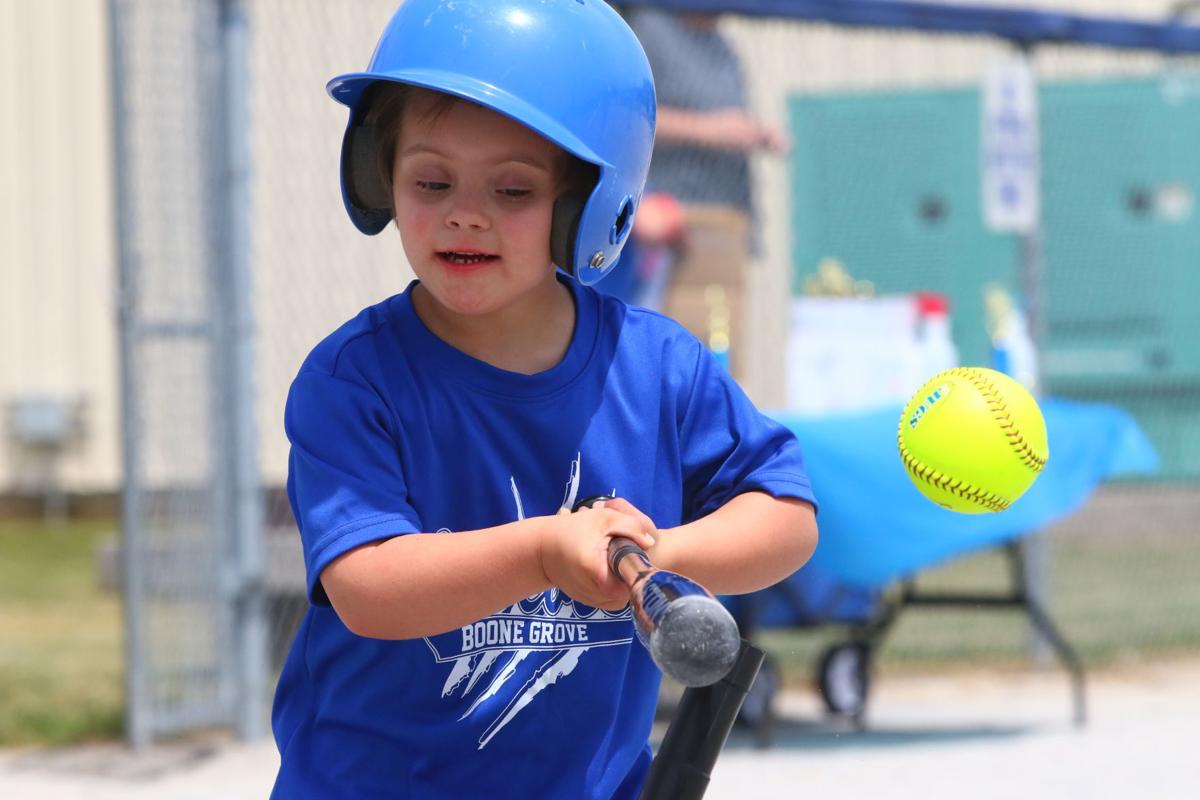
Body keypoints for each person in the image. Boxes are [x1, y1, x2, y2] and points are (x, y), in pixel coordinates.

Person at [271, 2, 818, 798]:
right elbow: (369, 587)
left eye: (514, 191)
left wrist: (653, 557)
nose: (465, 212)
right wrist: (542, 553)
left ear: (589, 204)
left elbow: (786, 516)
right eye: (432, 180)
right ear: (378, 171)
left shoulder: (656, 369)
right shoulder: (355, 380)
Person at [609, 8, 789, 310]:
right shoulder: (649, 31)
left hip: (721, 221)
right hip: (665, 224)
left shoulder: (723, 47)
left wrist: (756, 134)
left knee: (715, 337)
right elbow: (625, 115)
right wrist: (709, 130)